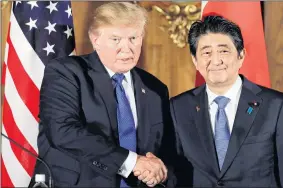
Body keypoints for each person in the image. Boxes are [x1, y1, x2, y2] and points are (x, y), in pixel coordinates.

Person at [30, 2, 176, 187]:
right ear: (95, 39)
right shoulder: (66, 72)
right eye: (116, 39)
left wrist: (160, 173)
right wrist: (132, 162)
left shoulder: (155, 88)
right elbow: (63, 131)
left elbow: (167, 150)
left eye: (133, 38)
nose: (127, 48)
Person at [170, 15, 283, 187]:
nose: (215, 61)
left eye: (224, 51)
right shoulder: (178, 107)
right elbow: (175, 174)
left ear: (241, 55)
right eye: (206, 52)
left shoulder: (276, 105)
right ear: (195, 60)